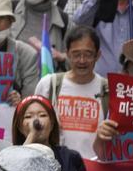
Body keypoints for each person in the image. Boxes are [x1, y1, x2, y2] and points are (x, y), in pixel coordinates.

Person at [35, 26, 107, 158]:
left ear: (98, 55)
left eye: (88, 54)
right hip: (54, 168)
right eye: (76, 54)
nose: (82, 60)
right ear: (67, 54)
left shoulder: (108, 90)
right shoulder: (49, 85)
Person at [12, 95, 94, 171]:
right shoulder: (10, 158)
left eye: (42, 115)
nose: (36, 121)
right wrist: (32, 135)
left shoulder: (70, 158)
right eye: (28, 117)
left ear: (52, 123)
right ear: (20, 127)